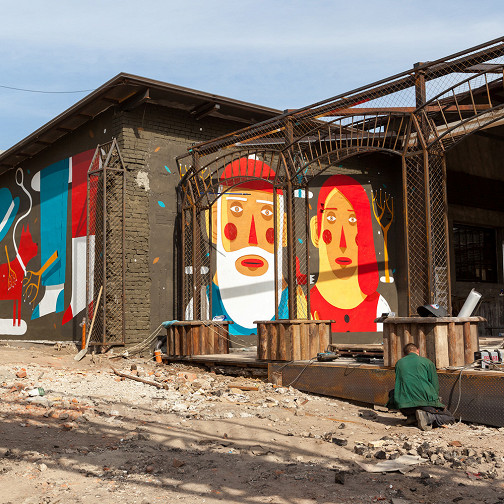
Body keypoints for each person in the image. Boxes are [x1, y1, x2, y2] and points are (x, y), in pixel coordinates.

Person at [206, 156, 305, 336]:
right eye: (236, 210)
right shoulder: (203, 302)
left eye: (267, 212)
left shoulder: (293, 301)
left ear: (283, 230)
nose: (253, 238)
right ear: (213, 224)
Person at [309, 174, 390, 332]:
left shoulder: (379, 307)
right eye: (331, 219)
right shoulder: (305, 306)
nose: (343, 243)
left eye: (353, 220)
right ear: (316, 231)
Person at [388, 343, 455, 430]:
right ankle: (429, 418)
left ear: (404, 354)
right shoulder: (427, 362)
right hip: (424, 401)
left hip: (405, 405)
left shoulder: (399, 363)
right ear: (418, 351)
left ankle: (412, 417)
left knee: (392, 393)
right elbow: (435, 385)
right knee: (450, 419)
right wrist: (435, 402)